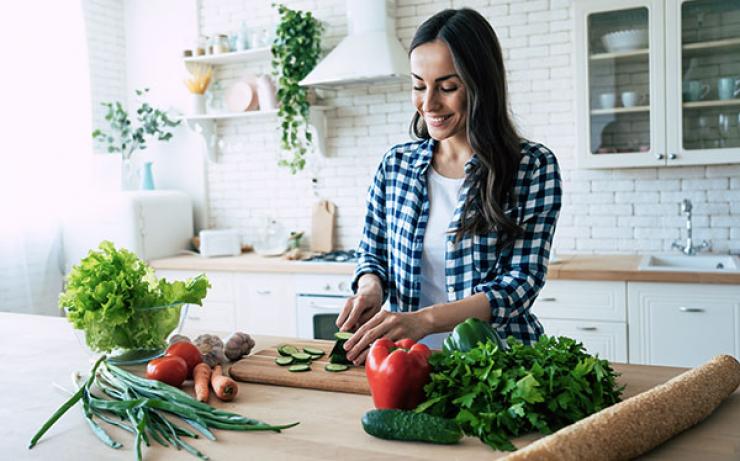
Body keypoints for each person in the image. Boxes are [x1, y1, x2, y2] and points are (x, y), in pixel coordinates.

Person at [336, 8, 562, 365]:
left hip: (499, 365)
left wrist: (423, 321)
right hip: (407, 364)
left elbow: (520, 284)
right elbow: (372, 253)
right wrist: (370, 288)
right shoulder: (396, 165)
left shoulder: (531, 167)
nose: (429, 104)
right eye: (418, 86)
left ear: (480, 84)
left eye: (447, 87)